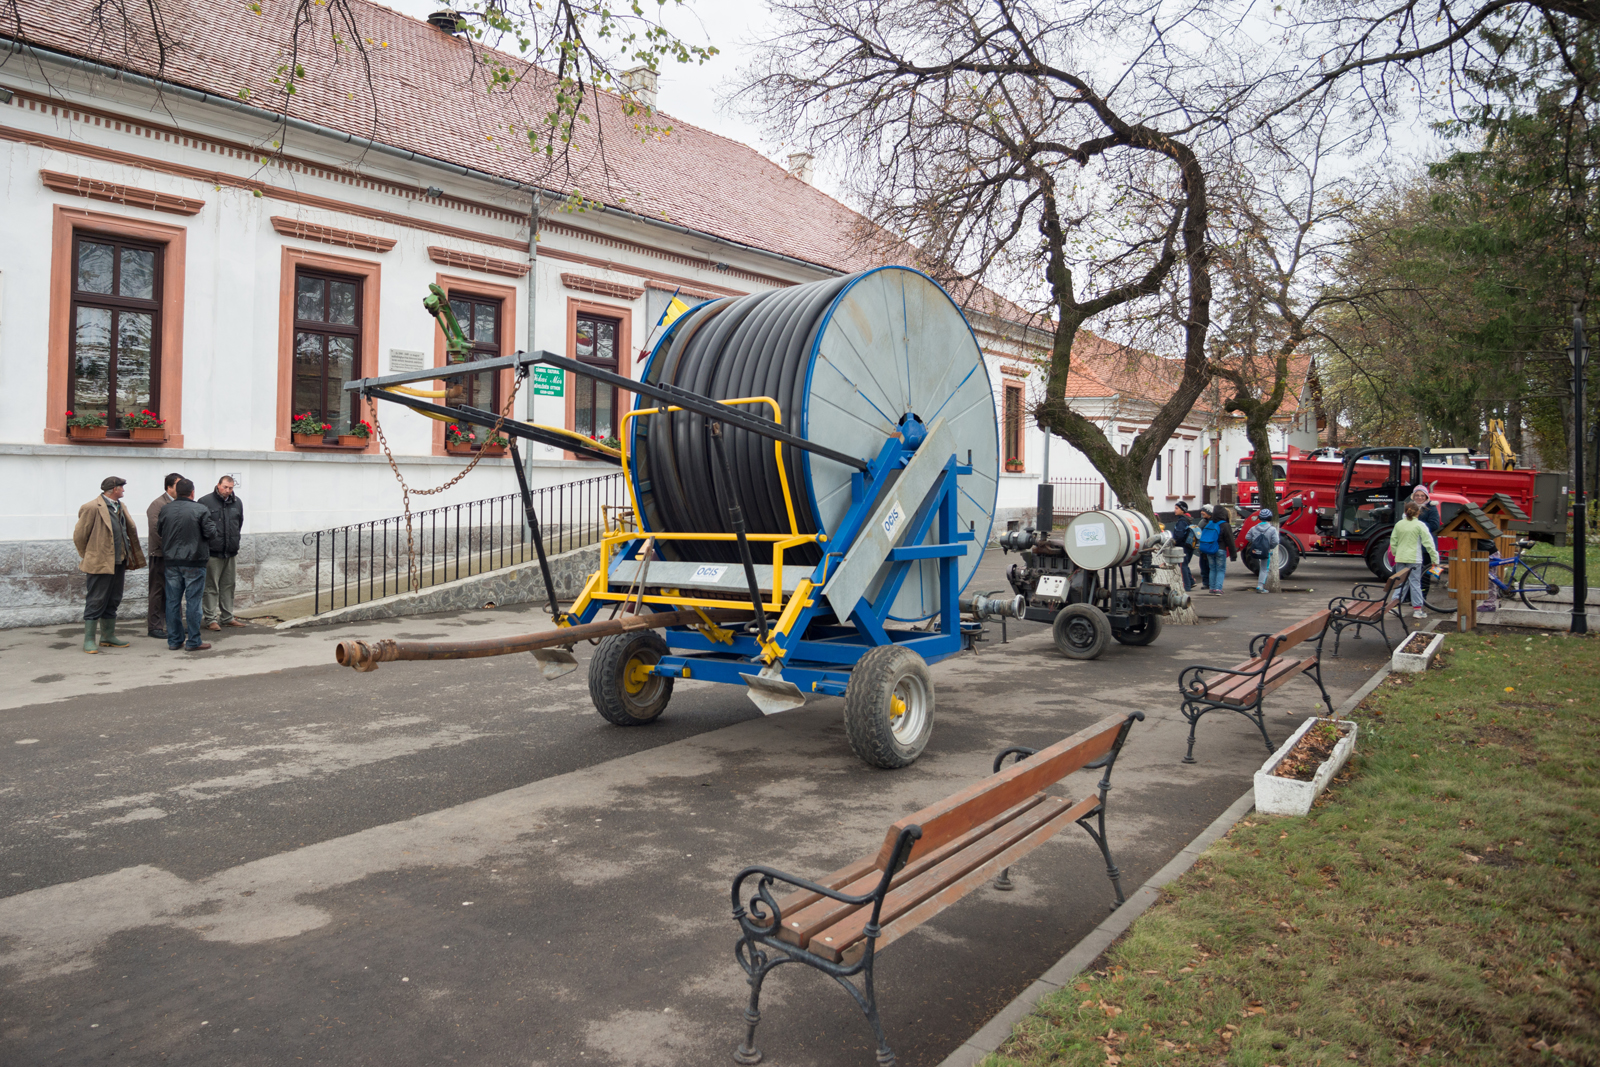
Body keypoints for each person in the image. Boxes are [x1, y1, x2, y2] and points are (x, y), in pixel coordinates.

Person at [72, 475, 147, 654]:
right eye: (121, 487)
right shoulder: (91, 507)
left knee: (114, 598)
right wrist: (90, 555)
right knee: (96, 599)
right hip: (99, 563)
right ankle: (89, 640)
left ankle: (107, 636)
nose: (123, 490)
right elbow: (80, 536)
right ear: (114, 489)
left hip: (119, 561)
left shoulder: (120, 506)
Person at [159, 478, 218, 651]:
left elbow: (159, 531)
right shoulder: (200, 509)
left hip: (171, 561)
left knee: (172, 602)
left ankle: (175, 640)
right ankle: (193, 641)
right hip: (194, 560)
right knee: (193, 602)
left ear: (176, 492)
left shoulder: (165, 509)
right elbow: (210, 533)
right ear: (192, 492)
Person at [200, 476, 245, 631]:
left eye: (231, 488)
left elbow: (239, 524)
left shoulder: (237, 502)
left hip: (231, 551)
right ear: (218, 485)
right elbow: (201, 527)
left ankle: (227, 617)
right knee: (211, 586)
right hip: (213, 552)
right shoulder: (205, 502)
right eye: (225, 487)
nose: (228, 491)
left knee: (228, 585)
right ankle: (210, 619)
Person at [144, 472, 183, 640]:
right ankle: (155, 626)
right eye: (178, 485)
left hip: (176, 555)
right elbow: (155, 531)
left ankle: (175, 625)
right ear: (169, 487)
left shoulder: (180, 503)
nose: (181, 489)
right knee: (157, 591)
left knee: (175, 591)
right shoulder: (158, 504)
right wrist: (170, 549)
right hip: (160, 554)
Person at [1389, 501, 1441, 620]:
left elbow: (1393, 541)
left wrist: (1396, 553)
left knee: (1401, 582)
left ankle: (1394, 605)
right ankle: (1417, 610)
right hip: (1414, 558)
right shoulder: (1420, 525)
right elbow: (1428, 543)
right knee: (1415, 583)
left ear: (1405, 512)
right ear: (1418, 513)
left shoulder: (1399, 524)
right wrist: (1435, 558)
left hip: (1401, 558)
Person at [1248, 508, 1281, 593]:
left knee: (1261, 567)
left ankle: (1260, 586)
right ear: (1270, 518)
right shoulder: (1272, 529)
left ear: (1259, 518)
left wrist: (1255, 542)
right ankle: (1260, 586)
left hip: (1255, 551)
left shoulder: (1253, 528)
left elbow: (1247, 537)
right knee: (1264, 568)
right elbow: (1276, 541)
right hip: (1266, 552)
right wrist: (1269, 547)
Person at [1195, 507, 1226, 595]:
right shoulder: (1215, 523)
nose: (1201, 512)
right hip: (1211, 547)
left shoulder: (1208, 523)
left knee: (1212, 568)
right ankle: (1215, 587)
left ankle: (1211, 587)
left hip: (1207, 547)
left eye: (1204, 511)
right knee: (1216, 568)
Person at [1169, 502, 1195, 591]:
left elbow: (1179, 535)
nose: (1174, 510)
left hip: (1182, 547)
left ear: (1183, 510)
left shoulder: (1182, 521)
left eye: (1177, 508)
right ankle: (1191, 581)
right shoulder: (1188, 519)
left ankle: (1186, 586)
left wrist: (1174, 542)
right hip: (1188, 546)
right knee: (1185, 564)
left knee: (1182, 565)